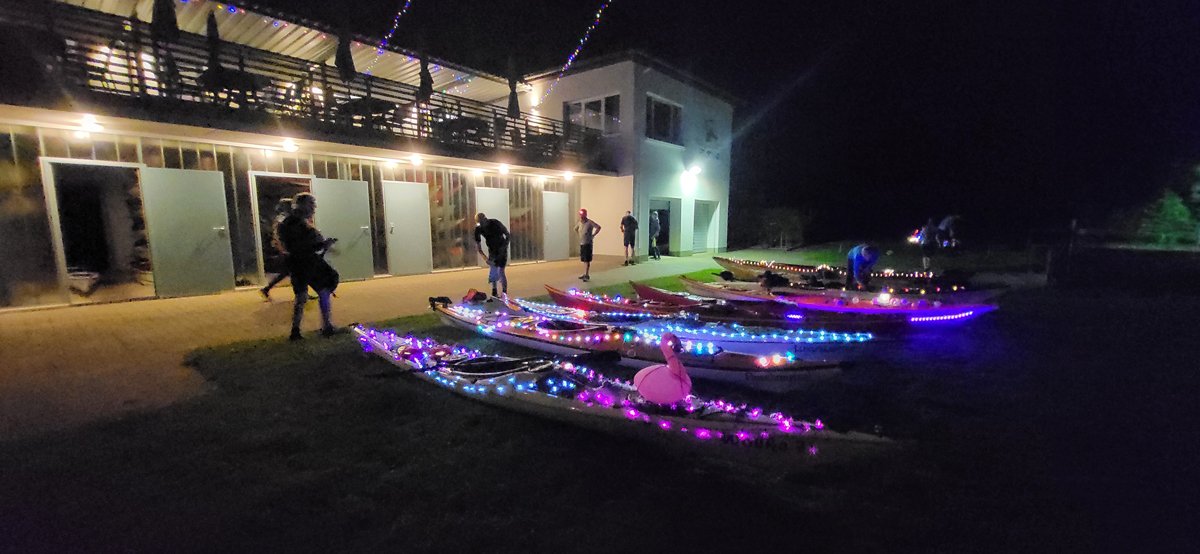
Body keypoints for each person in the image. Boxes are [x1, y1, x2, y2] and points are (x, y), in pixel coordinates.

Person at [277, 193, 339, 341]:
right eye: (312, 205)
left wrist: (322, 245)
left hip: (299, 263)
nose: (314, 208)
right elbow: (302, 246)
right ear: (302, 206)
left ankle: (297, 330)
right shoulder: (297, 225)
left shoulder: (289, 223)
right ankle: (326, 326)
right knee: (322, 287)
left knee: (303, 295)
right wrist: (323, 244)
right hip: (306, 263)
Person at [260, 198, 293, 302]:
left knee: (288, 270)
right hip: (286, 247)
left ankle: (267, 289)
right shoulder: (284, 218)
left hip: (285, 246)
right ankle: (302, 292)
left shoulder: (282, 217)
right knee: (295, 269)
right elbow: (279, 234)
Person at [473, 212, 510, 299]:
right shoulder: (478, 229)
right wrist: (485, 259)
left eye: (483, 221)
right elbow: (478, 247)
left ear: (485, 219)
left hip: (501, 249)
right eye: (480, 223)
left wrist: (504, 247)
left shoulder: (495, 223)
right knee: (493, 270)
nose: (482, 224)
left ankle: (504, 293)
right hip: (492, 250)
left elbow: (507, 234)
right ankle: (494, 292)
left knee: (501, 271)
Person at [575, 208, 601, 282]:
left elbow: (598, 227)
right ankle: (584, 273)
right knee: (584, 260)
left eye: (582, 215)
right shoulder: (579, 223)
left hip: (588, 243)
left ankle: (587, 274)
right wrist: (580, 235)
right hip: (582, 243)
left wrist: (593, 235)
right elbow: (575, 229)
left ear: (585, 215)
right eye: (580, 215)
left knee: (587, 260)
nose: (581, 217)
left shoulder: (590, 222)